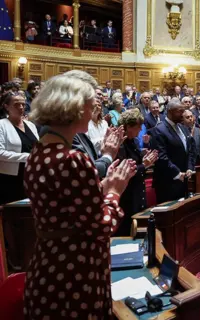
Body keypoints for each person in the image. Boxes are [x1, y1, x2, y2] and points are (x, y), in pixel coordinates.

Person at [24, 74, 135, 319]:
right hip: (76, 273)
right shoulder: (72, 159)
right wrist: (114, 191)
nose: (93, 110)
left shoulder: (38, 152)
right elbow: (102, 226)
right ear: (72, 108)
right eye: (90, 104)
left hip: (47, 265)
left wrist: (101, 187)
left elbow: (69, 207)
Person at [116, 109, 158, 236]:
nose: (140, 130)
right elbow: (125, 171)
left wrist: (143, 159)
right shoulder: (119, 144)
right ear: (128, 126)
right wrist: (144, 164)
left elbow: (137, 163)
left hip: (138, 191)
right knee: (128, 230)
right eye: (138, 126)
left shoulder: (133, 141)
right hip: (127, 196)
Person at [150, 98, 196, 204]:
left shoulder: (182, 127)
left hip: (183, 180)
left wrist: (189, 168)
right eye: (179, 111)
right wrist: (177, 173)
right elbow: (161, 157)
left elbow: (190, 150)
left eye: (183, 111)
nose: (182, 114)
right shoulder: (159, 130)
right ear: (170, 112)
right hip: (167, 182)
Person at [0, 93, 39, 205]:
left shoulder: (30, 125)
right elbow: (0, 153)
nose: (21, 107)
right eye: (17, 104)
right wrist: (27, 157)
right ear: (6, 106)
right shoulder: (2, 125)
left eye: (23, 104)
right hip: (10, 178)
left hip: (30, 175)